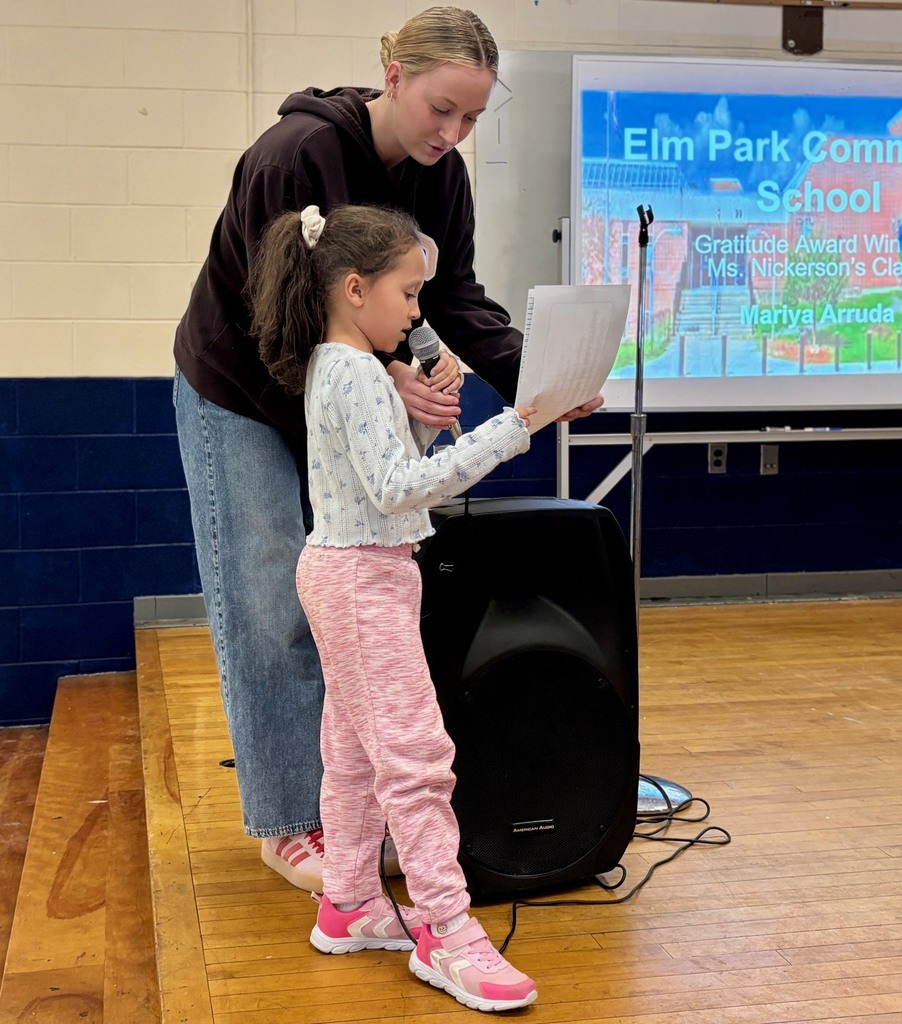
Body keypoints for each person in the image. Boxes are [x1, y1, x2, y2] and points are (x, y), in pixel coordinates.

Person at [173, 5, 602, 893]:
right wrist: (376, 381)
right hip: (243, 385)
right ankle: (290, 823)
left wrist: (544, 377)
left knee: (357, 615)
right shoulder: (298, 154)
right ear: (395, 78)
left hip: (339, 381)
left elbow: (458, 300)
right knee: (270, 603)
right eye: (441, 109)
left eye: (474, 118)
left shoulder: (444, 178)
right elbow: (277, 319)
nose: (454, 134)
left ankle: (359, 815)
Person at [249, 200, 539, 1012]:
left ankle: (348, 902)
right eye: (409, 296)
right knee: (415, 759)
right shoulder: (351, 370)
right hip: (359, 580)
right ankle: (449, 932)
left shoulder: (347, 368)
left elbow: (384, 480)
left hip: (357, 570)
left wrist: (422, 411)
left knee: (351, 749)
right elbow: (400, 490)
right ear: (353, 289)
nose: (419, 314)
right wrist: (517, 426)